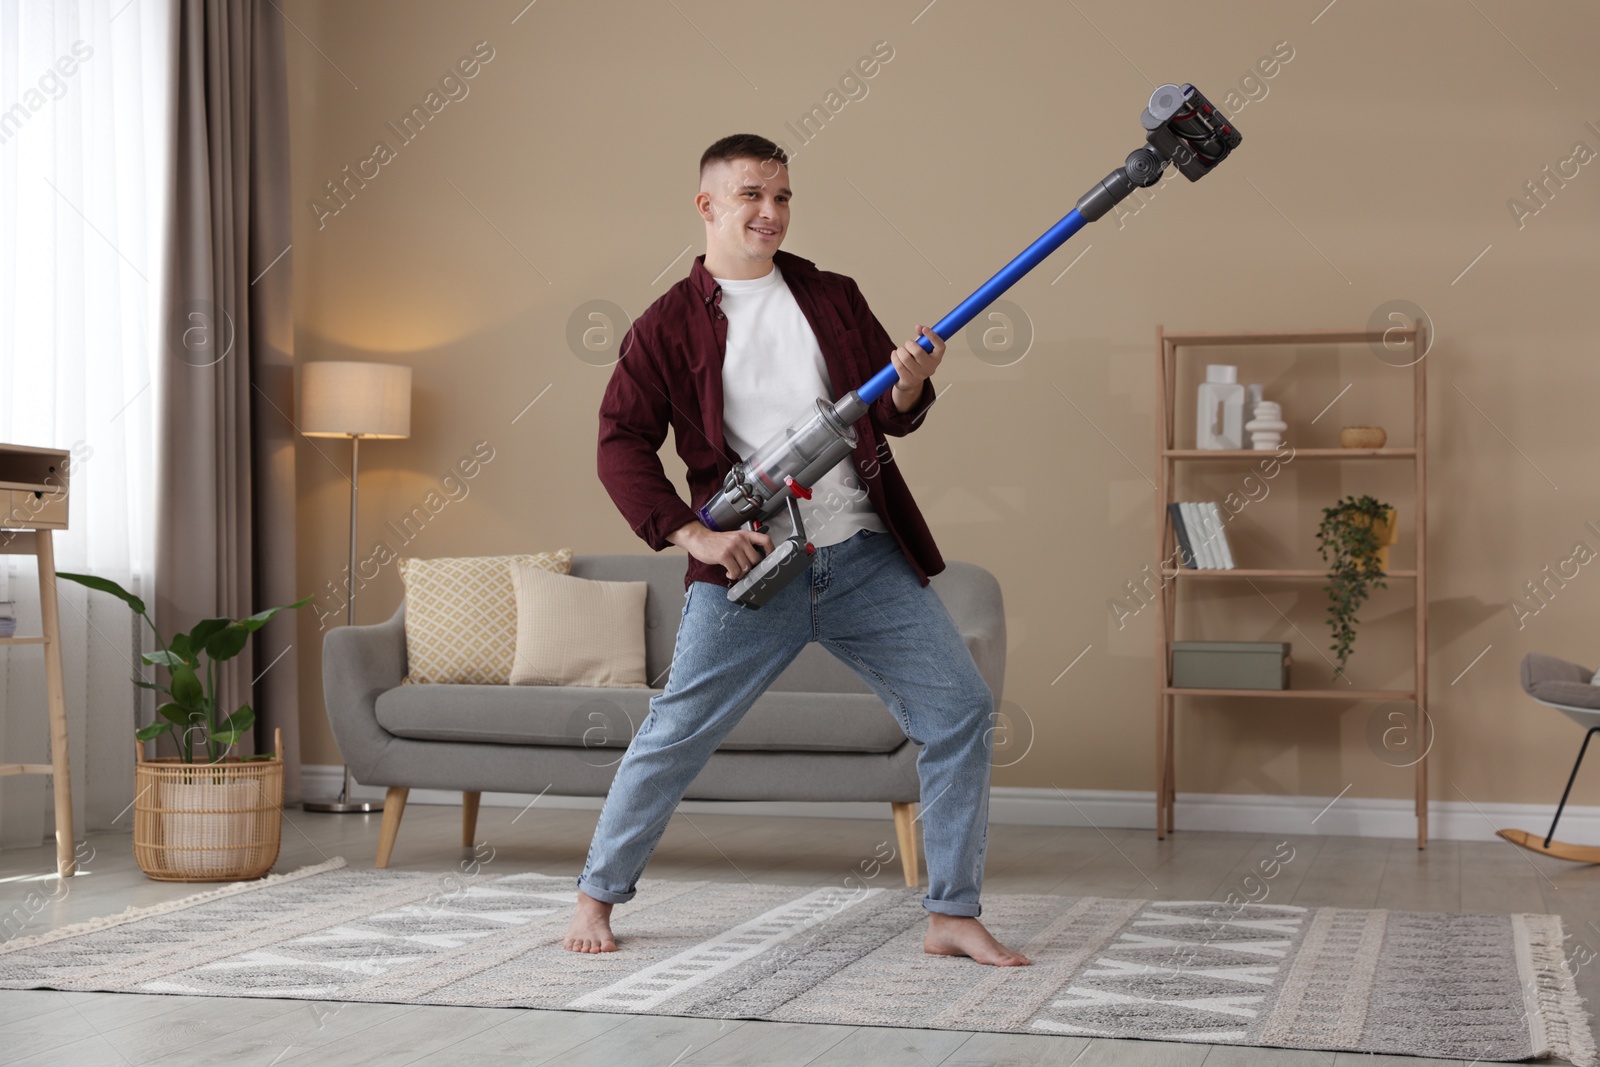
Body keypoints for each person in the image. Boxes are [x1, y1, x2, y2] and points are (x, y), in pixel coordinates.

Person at [567, 133, 1030, 967]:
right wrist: (693, 532)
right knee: (677, 731)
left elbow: (887, 412)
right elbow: (619, 443)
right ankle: (597, 894)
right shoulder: (666, 325)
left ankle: (950, 913)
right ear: (707, 205)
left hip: (861, 555)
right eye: (751, 195)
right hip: (749, 567)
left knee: (959, 709)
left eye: (781, 197)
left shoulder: (832, 295)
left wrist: (915, 381)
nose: (770, 212)